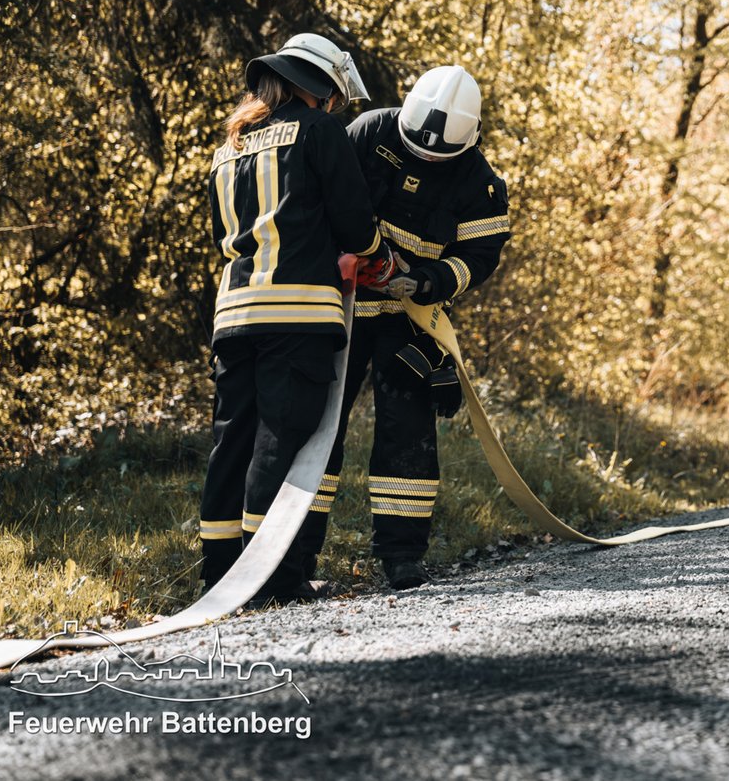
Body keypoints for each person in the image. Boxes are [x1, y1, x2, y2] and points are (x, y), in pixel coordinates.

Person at [295, 65, 511, 591]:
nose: (427, 159)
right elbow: (320, 195)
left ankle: (402, 558)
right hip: (341, 307)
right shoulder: (370, 131)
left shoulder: (481, 184)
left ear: (470, 139)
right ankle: (293, 561)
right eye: (419, 150)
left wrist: (430, 281)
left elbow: (479, 258)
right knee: (318, 429)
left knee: (408, 435)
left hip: (409, 323)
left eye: (440, 156)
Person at [200, 33, 392, 604]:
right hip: (299, 312)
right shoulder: (319, 131)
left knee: (231, 443)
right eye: (332, 95)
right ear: (318, 89)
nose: (333, 106)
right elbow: (355, 220)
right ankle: (272, 579)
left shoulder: (230, 144)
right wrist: (375, 254)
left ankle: (219, 572)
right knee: (279, 442)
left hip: (234, 313)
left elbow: (222, 234)